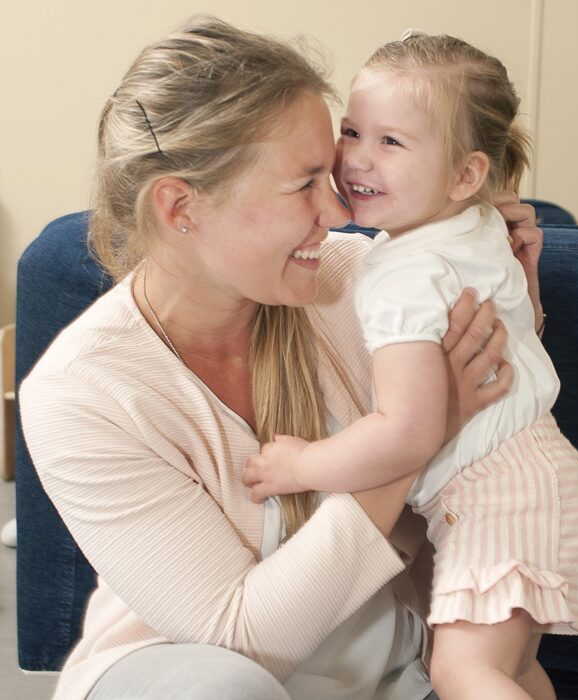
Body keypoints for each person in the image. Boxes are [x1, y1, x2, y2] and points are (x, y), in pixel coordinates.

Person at [19, 16, 544, 700]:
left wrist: (501, 283)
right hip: (184, 671)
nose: (335, 209)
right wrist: (419, 431)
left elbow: (498, 413)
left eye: (331, 174)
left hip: (390, 669)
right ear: (181, 205)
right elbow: (237, 637)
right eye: (303, 184)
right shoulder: (82, 393)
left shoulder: (368, 281)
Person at [245, 31, 578, 700]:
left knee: (462, 672)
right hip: (535, 479)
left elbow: (406, 431)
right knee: (508, 670)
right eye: (352, 131)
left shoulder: (403, 273)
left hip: (497, 493)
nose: (355, 159)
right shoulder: (472, 223)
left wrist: (299, 466)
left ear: (465, 174)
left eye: (392, 142)